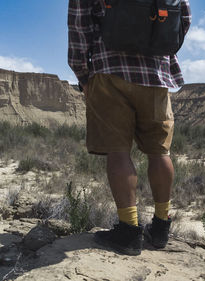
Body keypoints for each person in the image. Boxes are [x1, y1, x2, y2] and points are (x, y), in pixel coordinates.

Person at [67, 0, 191, 256]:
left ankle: (129, 230)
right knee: (160, 152)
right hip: (156, 74)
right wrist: (159, 46)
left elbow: (79, 26)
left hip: (109, 69)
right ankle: (160, 227)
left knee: (118, 151)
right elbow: (183, 17)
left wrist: (82, 75)